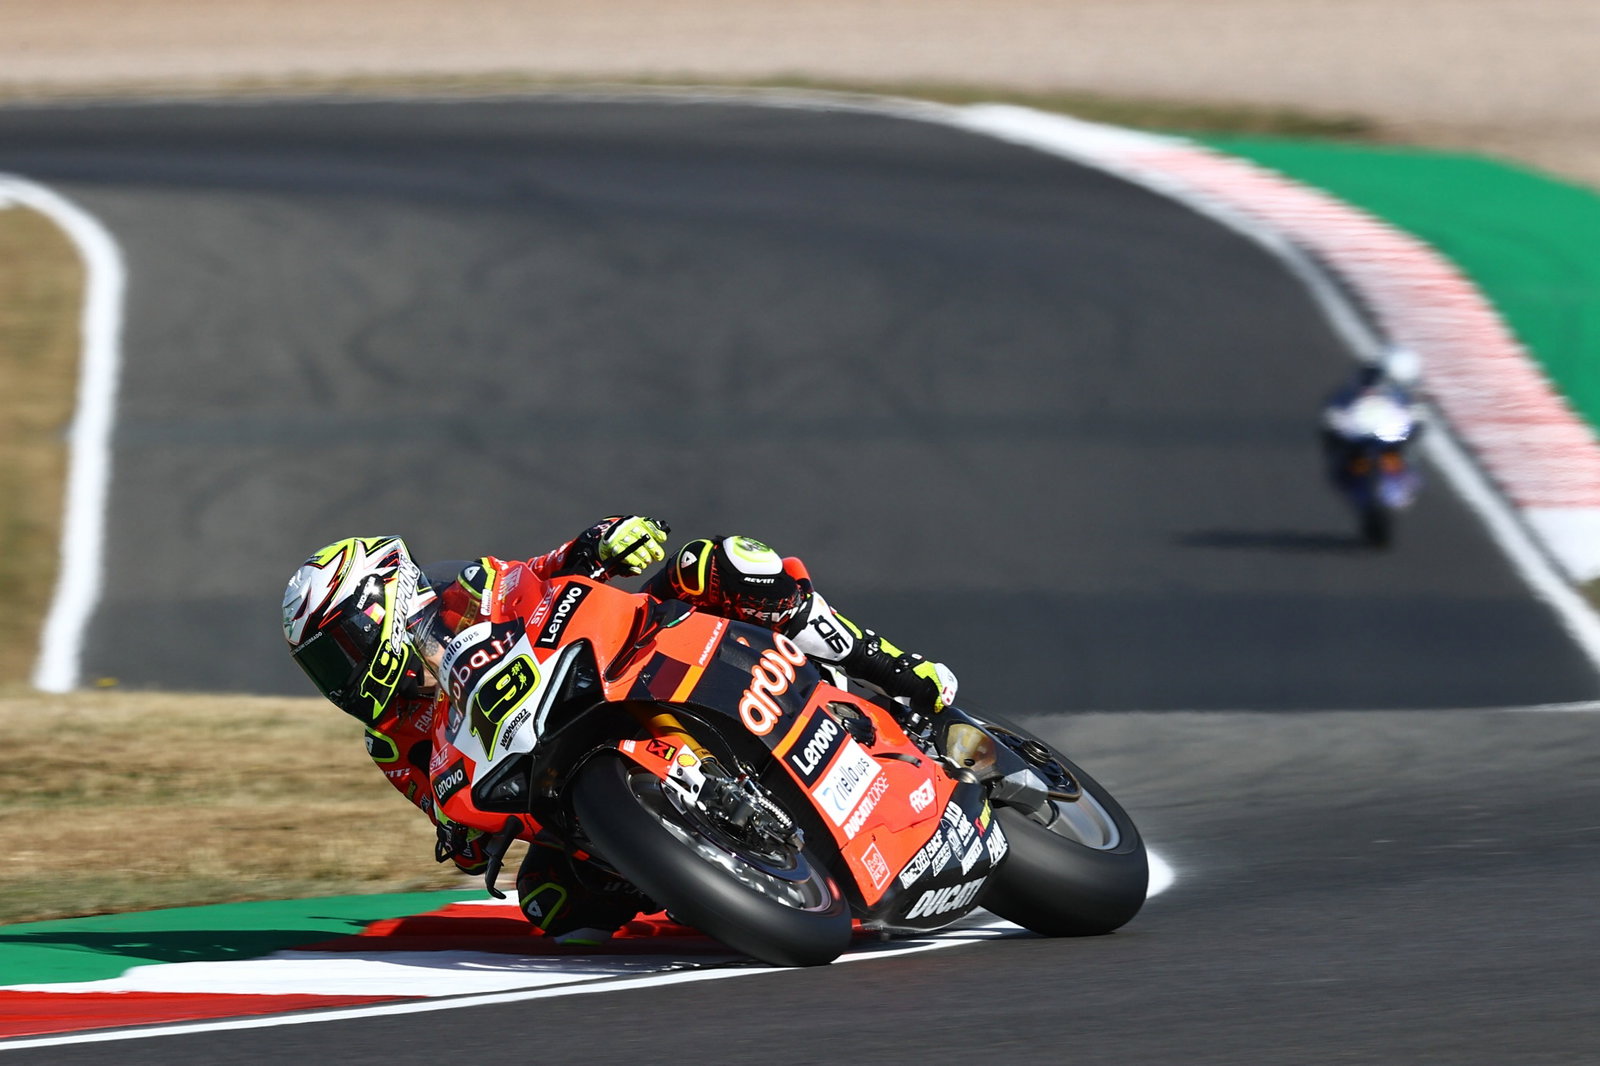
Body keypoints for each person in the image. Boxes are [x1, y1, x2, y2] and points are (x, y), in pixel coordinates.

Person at [281, 516, 957, 943]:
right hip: (551, 767)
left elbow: (544, 571)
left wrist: (601, 542)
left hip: (616, 663)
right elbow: (443, 812)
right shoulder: (390, 737)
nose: (338, 676)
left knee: (723, 562)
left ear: (384, 606)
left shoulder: (469, 589)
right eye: (321, 666)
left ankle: (897, 669)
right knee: (553, 906)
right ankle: (723, 874)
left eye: (340, 647)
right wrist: (457, 832)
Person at [1319, 349, 1426, 486]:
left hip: (1390, 425)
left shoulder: (1409, 392)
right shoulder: (1368, 379)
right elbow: (1345, 399)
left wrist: (1415, 417)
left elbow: (1416, 412)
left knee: (1405, 448)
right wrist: (1338, 417)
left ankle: (1403, 470)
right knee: (1338, 436)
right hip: (1364, 421)